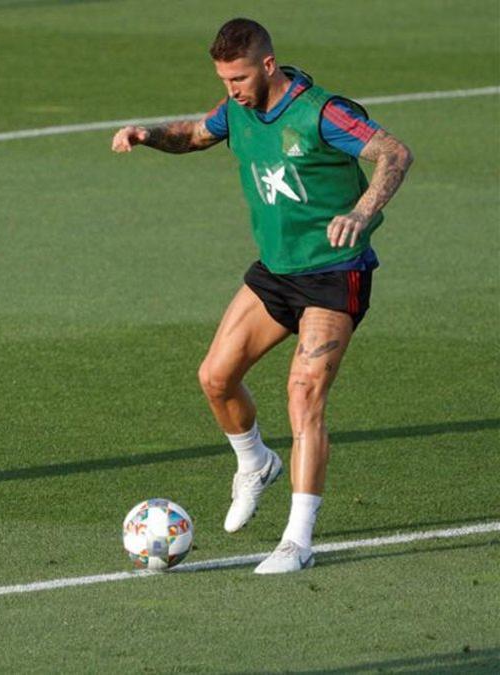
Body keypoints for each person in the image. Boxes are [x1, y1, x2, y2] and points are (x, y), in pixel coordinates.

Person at [111, 18, 412, 573]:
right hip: (276, 271)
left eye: (241, 77)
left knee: (304, 393)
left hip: (332, 271)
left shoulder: (322, 111)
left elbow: (394, 153)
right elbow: (197, 133)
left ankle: (297, 541)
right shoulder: (237, 111)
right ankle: (255, 463)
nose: (233, 89)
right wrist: (148, 134)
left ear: (268, 65)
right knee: (215, 377)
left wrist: (361, 212)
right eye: (225, 80)